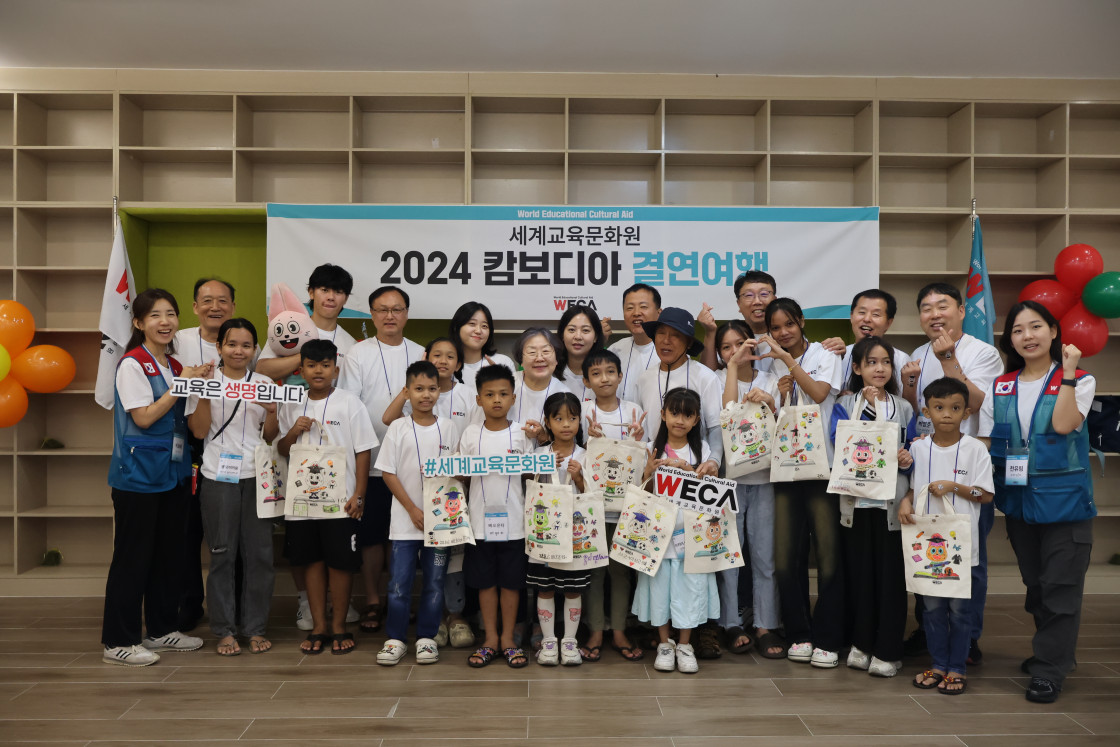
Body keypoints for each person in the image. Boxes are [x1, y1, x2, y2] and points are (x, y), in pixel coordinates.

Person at [980, 300, 1096, 704]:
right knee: (1037, 587)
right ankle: (1055, 652)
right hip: (1019, 503)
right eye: (1017, 330)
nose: (1027, 336)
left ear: (1053, 331)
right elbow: (988, 441)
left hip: (1066, 505)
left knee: (1061, 588)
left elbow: (1063, 424)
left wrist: (1067, 373)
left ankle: (1049, 670)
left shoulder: (1080, 380)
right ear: (1009, 340)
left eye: (1035, 327)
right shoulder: (1002, 385)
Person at [102, 289, 212, 667]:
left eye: (170, 314)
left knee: (169, 556)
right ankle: (119, 640)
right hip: (138, 476)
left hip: (174, 473)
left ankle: (162, 629)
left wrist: (200, 383)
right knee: (132, 559)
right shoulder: (133, 364)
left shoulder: (176, 365)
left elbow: (192, 422)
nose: (165, 322)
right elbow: (144, 417)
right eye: (154, 316)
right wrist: (182, 386)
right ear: (138, 323)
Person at [900, 283, 1002, 663]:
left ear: (961, 311)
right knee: (927, 551)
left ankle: (967, 637)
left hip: (967, 465)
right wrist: (910, 384)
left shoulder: (983, 352)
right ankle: (929, 633)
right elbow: (916, 411)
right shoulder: (917, 353)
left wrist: (948, 359)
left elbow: (978, 404)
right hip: (927, 462)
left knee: (969, 559)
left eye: (942, 306)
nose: (934, 314)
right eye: (926, 308)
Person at [257, 263, 360, 631]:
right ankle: (306, 602)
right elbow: (262, 368)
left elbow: (351, 394)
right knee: (299, 530)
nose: (330, 296)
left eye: (338, 291)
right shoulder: (289, 325)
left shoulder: (351, 344)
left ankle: (337, 604)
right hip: (289, 441)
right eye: (323, 289)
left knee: (334, 534)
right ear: (311, 293)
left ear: (346, 299)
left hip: (333, 451)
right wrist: (302, 357)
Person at [759, 297, 845, 668]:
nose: (783, 333)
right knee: (785, 558)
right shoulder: (769, 363)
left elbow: (820, 393)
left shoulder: (826, 354)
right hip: (786, 468)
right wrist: (776, 396)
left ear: (802, 322)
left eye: (789, 324)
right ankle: (799, 633)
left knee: (828, 557)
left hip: (824, 468)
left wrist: (788, 360)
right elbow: (774, 418)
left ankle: (828, 637)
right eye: (775, 328)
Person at [277, 340, 377, 655]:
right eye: (311, 365)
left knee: (340, 564)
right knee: (311, 562)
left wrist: (359, 494)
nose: (318, 371)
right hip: (303, 502)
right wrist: (294, 431)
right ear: (301, 369)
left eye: (325, 365)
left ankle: (339, 626)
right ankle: (319, 626)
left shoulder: (349, 403)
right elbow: (282, 449)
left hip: (341, 500)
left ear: (335, 368)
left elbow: (364, 450)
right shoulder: (292, 402)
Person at [186, 318, 278, 656]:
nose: (238, 351)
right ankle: (224, 630)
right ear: (219, 347)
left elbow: (269, 436)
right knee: (222, 554)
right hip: (217, 476)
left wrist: (272, 411)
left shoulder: (264, 383)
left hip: (257, 477)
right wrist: (205, 392)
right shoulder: (205, 380)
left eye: (246, 345)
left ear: (254, 349)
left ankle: (254, 628)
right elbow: (198, 432)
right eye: (232, 344)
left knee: (260, 555)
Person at [338, 286, 425, 636]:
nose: (390, 315)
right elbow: (349, 406)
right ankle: (374, 600)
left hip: (413, 463)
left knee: (404, 535)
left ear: (407, 313)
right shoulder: (358, 353)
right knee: (372, 536)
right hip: (372, 460)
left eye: (397, 309)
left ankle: (399, 597)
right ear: (372, 314)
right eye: (382, 309)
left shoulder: (420, 353)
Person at [900, 377, 994, 695]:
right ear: (927, 412)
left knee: (960, 610)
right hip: (927, 542)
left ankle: (957, 668)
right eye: (939, 408)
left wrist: (955, 487)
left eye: (955, 408)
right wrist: (905, 501)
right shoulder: (918, 448)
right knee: (931, 608)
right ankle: (938, 664)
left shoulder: (976, 450)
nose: (947, 415)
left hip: (962, 546)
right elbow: (913, 488)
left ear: (966, 412)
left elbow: (985, 495)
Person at [830, 336, 915, 677]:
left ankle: (888, 650)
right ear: (856, 368)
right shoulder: (844, 403)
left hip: (891, 508)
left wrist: (907, 460)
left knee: (890, 579)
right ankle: (861, 643)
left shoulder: (903, 407)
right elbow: (838, 444)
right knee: (860, 577)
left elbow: (913, 452)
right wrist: (865, 407)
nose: (880, 369)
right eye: (871, 362)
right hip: (856, 505)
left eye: (885, 362)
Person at [173, 277, 252, 632]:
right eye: (207, 300)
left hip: (232, 450)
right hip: (185, 443)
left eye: (222, 301)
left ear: (233, 307)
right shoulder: (177, 341)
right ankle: (189, 603)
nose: (215, 307)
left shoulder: (244, 342)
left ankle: (235, 610)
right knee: (188, 530)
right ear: (195, 306)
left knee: (233, 535)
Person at [375, 360, 460, 666]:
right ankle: (396, 639)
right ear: (407, 392)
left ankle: (426, 638)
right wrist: (411, 509)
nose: (426, 395)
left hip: (439, 524)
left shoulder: (449, 428)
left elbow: (456, 472)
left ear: (439, 391)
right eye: (419, 389)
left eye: (432, 389)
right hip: (404, 522)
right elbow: (388, 472)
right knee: (399, 584)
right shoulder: (398, 427)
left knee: (435, 583)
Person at [633, 388, 720, 674]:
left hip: (691, 536)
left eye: (687, 415)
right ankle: (664, 644)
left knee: (690, 589)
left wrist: (689, 470)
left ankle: (684, 645)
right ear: (663, 415)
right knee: (659, 589)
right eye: (674, 413)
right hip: (657, 536)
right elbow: (640, 491)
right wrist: (648, 471)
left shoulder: (703, 450)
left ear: (696, 420)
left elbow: (711, 492)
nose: (680, 420)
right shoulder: (650, 448)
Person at [713, 320, 783, 659]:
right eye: (726, 347)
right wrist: (731, 368)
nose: (735, 351)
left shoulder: (771, 379)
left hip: (766, 479)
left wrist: (770, 402)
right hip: (728, 481)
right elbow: (727, 417)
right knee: (729, 557)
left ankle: (766, 625)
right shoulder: (715, 379)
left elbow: (785, 428)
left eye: (740, 343)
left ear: (753, 344)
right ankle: (730, 623)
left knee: (765, 558)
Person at [458, 364, 533, 668]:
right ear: (478, 399)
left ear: (513, 398)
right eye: (489, 395)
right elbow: (462, 476)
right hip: (479, 524)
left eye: (503, 394)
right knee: (486, 583)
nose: (497, 400)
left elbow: (532, 475)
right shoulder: (470, 434)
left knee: (512, 584)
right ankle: (490, 638)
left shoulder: (522, 434)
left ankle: (508, 640)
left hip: (515, 524)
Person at [578, 347, 646, 662]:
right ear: (586, 381)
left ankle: (618, 630)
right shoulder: (582, 411)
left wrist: (639, 440)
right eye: (596, 373)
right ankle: (595, 630)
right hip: (591, 507)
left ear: (620, 376)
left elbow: (645, 455)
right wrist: (587, 439)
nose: (604, 378)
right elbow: (573, 453)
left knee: (620, 572)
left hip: (626, 507)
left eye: (610, 372)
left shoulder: (634, 411)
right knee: (594, 571)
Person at [528, 392, 588, 666]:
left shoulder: (587, 455)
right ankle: (549, 641)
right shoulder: (538, 454)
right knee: (545, 588)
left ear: (579, 421)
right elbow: (528, 489)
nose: (566, 424)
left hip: (576, 535)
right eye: (559, 418)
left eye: (572, 418)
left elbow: (592, 496)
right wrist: (541, 469)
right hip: (545, 535)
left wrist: (579, 477)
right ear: (547, 422)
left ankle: (570, 642)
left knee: (574, 589)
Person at [636, 307, 724, 467]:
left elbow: (715, 427)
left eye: (675, 335)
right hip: (655, 466)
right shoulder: (644, 379)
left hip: (696, 465)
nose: (666, 340)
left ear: (689, 342)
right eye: (661, 333)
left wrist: (714, 461)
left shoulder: (706, 377)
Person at [819, 289, 910, 393]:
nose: (867, 319)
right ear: (851, 316)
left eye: (876, 314)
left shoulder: (901, 359)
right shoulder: (838, 354)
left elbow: (904, 401)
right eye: (862, 312)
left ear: (888, 323)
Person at [382, 337, 477, 435]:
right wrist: (415, 377)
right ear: (426, 360)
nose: (443, 361)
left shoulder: (469, 395)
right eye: (437, 355)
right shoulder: (418, 395)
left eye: (450, 357)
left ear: (458, 365)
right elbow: (388, 419)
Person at [699, 270, 777, 372]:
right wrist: (710, 332)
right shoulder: (730, 337)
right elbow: (708, 376)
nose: (757, 301)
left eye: (764, 294)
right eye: (749, 295)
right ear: (739, 304)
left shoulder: (787, 334)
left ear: (775, 300)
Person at [606, 283, 662, 403]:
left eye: (643, 307)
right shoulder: (614, 350)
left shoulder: (669, 351)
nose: (636, 313)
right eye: (630, 308)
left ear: (659, 313)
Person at [511, 328, 566, 444]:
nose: (540, 358)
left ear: (556, 359)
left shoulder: (564, 395)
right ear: (521, 360)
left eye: (546, 351)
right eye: (532, 352)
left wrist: (544, 437)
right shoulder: (505, 385)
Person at [449, 301, 516, 392]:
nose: (478, 331)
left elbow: (512, 397)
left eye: (484, 326)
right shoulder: (446, 364)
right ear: (456, 327)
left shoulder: (503, 362)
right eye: (472, 324)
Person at [556, 304, 607, 401]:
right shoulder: (550, 373)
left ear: (596, 337)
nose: (578, 336)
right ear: (562, 334)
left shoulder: (606, 376)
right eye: (571, 330)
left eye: (585, 330)